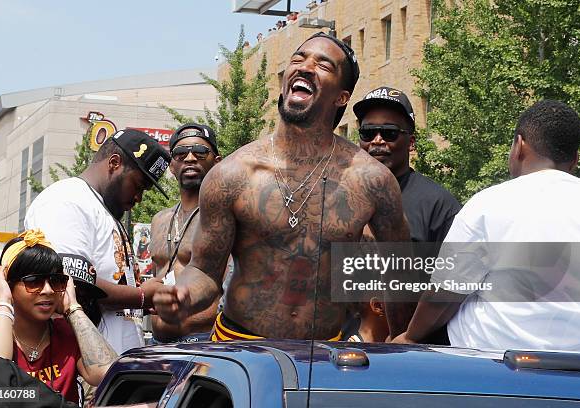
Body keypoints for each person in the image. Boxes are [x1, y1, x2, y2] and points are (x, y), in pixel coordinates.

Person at [154, 32, 410, 341]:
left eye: (323, 65)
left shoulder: (371, 180)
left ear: (341, 97)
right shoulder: (232, 174)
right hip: (240, 347)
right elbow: (206, 272)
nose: (305, 67)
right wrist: (182, 295)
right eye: (298, 59)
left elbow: (400, 272)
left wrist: (405, 347)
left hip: (323, 354)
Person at [392, 100, 580, 351]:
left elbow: (445, 295)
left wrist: (410, 337)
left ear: (519, 146)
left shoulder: (489, 203)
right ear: (574, 160)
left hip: (491, 362)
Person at [25, 129, 171, 354]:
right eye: (139, 185)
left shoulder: (102, 209)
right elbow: (70, 283)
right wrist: (142, 296)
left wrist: (140, 299)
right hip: (81, 369)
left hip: (112, 368)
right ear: (114, 163)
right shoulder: (67, 200)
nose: (139, 198)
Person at [0, 230, 118, 404]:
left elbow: (107, 374)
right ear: (8, 285)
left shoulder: (68, 332)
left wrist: (73, 307)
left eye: (56, 281)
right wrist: (2, 299)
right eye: (34, 281)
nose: (47, 290)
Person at [353, 86, 461, 243]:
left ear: (411, 143)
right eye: (368, 132)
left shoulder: (438, 205)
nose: (377, 140)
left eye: (389, 133)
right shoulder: (338, 195)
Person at [149, 124, 223, 342]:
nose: (190, 158)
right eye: (181, 153)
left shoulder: (224, 217)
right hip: (159, 342)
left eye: (200, 152)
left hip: (203, 341)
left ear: (217, 162)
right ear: (172, 165)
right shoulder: (159, 220)